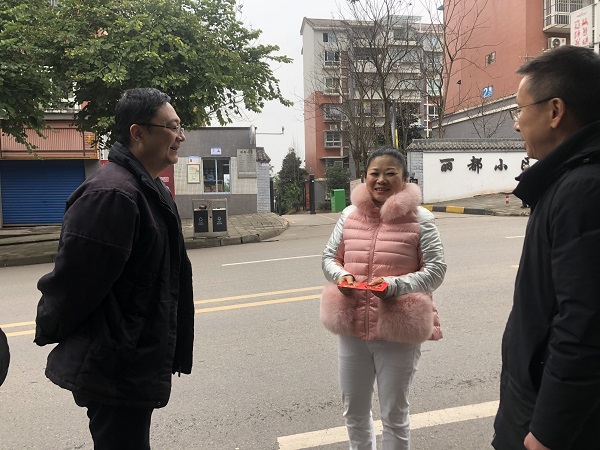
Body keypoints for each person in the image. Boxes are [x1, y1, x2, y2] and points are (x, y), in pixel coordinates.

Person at [34, 88, 195, 450]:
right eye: (171, 127)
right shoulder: (114, 194)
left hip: (131, 359)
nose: (180, 136)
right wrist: (49, 327)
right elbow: (74, 284)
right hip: (114, 363)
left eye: (180, 127)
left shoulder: (148, 189)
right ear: (138, 133)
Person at [493, 46, 600, 450]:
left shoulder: (583, 190)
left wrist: (548, 432)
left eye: (520, 109)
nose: (516, 123)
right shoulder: (568, 180)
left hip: (550, 422)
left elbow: (584, 325)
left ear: (555, 111)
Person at [320, 147, 447, 450]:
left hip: (397, 331)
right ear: (364, 177)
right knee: (354, 412)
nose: (381, 180)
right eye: (374, 173)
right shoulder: (349, 216)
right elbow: (329, 258)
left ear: (404, 179)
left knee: (394, 415)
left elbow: (436, 270)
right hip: (353, 328)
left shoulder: (421, 219)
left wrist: (393, 286)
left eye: (390, 173)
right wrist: (341, 277)